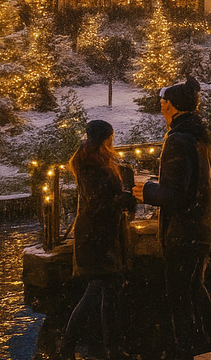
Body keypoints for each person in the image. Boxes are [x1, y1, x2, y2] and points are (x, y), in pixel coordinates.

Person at [132, 77, 211, 360]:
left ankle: (185, 351)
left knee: (179, 296)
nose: (160, 108)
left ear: (171, 107)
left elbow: (176, 196)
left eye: (163, 104)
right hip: (204, 226)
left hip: (183, 231)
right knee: (195, 287)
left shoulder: (178, 139)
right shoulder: (207, 138)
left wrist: (146, 190)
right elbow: (201, 185)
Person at [59, 120, 137, 360]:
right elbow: (96, 201)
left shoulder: (92, 160)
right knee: (99, 290)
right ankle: (72, 346)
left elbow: (100, 197)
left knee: (106, 290)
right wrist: (122, 200)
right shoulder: (91, 164)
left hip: (101, 234)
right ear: (106, 139)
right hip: (98, 237)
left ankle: (105, 347)